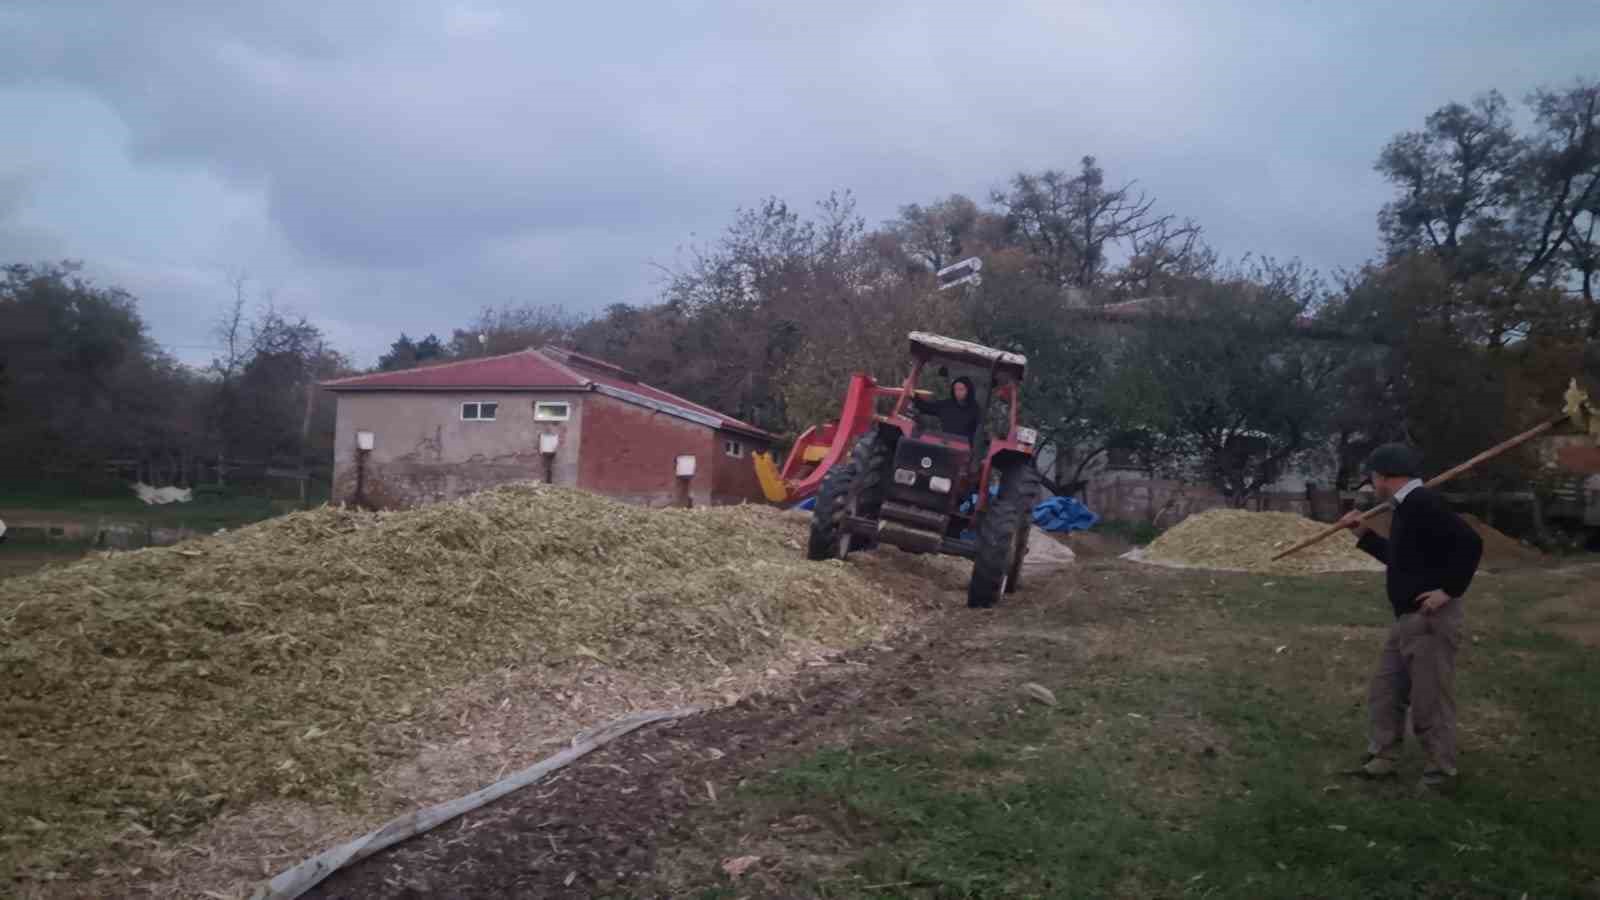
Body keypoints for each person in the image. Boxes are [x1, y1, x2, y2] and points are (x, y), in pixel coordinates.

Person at [1338, 443, 1483, 791]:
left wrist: (1447, 591)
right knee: (1386, 690)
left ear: (1384, 476)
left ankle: (1440, 774)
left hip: (1429, 620)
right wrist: (1363, 535)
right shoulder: (1406, 507)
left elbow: (1471, 544)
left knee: (1430, 699)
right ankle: (1384, 757)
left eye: (1373, 477)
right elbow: (1402, 561)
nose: (1372, 484)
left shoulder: (1423, 503)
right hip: (1406, 619)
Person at [912, 376, 981, 439]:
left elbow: (978, 431)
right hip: (945, 443)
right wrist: (913, 395)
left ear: (968, 390)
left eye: (961, 389)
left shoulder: (975, 409)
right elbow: (926, 407)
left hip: (964, 446)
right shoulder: (946, 405)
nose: (958, 392)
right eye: (955, 389)